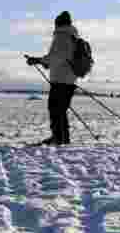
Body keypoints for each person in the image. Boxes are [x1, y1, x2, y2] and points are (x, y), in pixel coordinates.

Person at [25, 10, 80, 146]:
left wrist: (39, 60)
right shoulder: (71, 36)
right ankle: (62, 138)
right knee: (60, 109)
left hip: (61, 80)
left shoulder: (62, 36)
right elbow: (61, 58)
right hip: (68, 79)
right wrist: (45, 62)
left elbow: (56, 57)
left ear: (58, 23)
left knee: (55, 108)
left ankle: (58, 137)